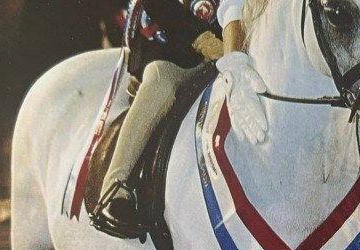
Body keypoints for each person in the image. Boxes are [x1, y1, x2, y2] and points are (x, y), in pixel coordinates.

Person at [92, 0, 255, 236]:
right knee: (160, 84)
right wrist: (204, 40)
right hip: (171, 47)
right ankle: (115, 186)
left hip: (234, 41)